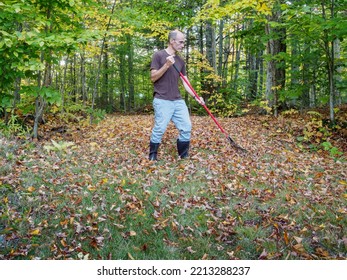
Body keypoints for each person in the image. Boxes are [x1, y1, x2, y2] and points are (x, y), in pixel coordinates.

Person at [148, 29, 204, 161]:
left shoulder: (180, 61)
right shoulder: (159, 56)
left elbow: (186, 82)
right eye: (180, 42)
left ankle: (183, 155)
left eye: (183, 42)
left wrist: (196, 96)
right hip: (162, 99)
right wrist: (167, 65)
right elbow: (153, 77)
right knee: (160, 128)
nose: (183, 45)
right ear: (172, 41)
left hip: (178, 101)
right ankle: (152, 155)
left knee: (186, 127)